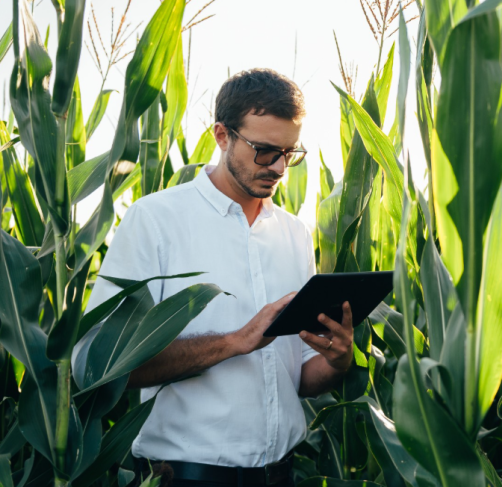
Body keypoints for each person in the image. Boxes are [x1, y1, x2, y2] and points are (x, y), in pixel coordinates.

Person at [71, 68, 352, 487]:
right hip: (186, 478)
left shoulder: (294, 233)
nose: (278, 167)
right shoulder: (155, 220)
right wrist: (234, 342)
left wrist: (337, 360)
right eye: (264, 151)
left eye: (290, 153)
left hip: (280, 476)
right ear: (222, 135)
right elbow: (95, 364)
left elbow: (302, 378)